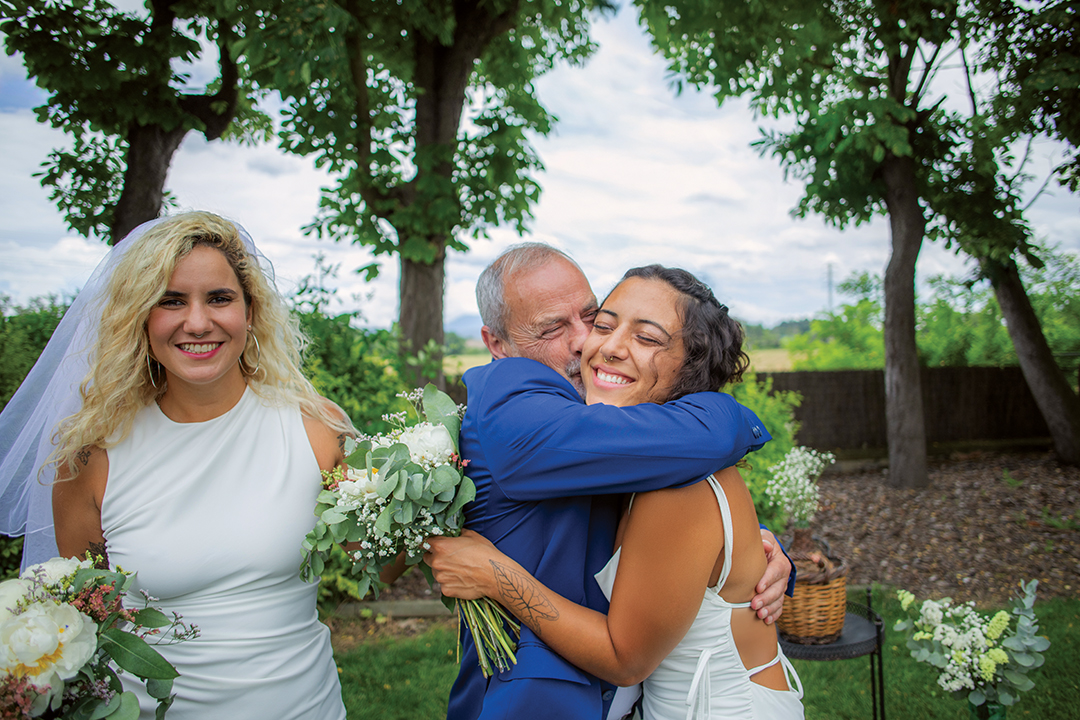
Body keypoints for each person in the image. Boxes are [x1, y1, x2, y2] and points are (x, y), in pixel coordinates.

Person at [0, 212, 348, 719]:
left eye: (220, 298)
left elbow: (380, 564)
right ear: (139, 317)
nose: (198, 321)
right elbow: (83, 624)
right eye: (171, 301)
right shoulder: (91, 457)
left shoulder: (315, 429)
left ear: (251, 312)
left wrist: (423, 492)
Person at [431, 244, 794, 720]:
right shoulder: (517, 404)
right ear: (497, 345)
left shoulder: (665, 470)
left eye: (592, 317)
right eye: (557, 328)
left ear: (690, 363)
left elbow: (628, 654)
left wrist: (760, 553)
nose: (590, 343)